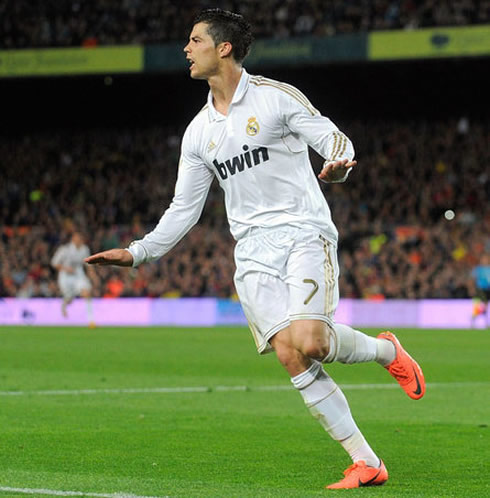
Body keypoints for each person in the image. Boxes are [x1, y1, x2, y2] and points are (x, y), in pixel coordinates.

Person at [85, 8, 425, 489]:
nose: (186, 48)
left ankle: (383, 349)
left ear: (223, 48)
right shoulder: (199, 132)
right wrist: (139, 252)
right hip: (252, 252)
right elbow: (185, 208)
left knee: (313, 341)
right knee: (293, 354)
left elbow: (333, 138)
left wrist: (339, 164)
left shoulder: (274, 99)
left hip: (304, 232)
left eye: (195, 40)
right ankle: (366, 461)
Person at [51, 231, 95, 328]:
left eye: (80, 238)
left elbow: (88, 264)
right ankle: (64, 304)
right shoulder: (64, 249)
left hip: (78, 274)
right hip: (65, 276)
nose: (79, 240)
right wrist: (66, 268)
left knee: (86, 293)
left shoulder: (84, 249)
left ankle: (91, 321)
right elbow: (54, 263)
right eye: (77, 238)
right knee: (69, 298)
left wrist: (93, 275)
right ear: (73, 239)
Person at [471, 254, 490, 328]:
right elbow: (473, 279)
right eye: (484, 259)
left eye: (487, 259)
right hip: (480, 289)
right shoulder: (478, 269)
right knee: (484, 304)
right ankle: (475, 317)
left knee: (485, 306)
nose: (485, 260)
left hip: (488, 289)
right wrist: (472, 288)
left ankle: (476, 317)